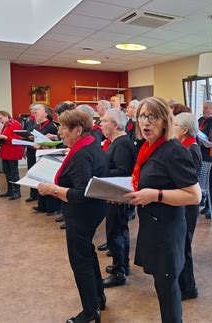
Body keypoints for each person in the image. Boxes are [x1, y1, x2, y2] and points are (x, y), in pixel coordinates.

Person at [123, 97, 201, 323]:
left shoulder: (173, 150)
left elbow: (194, 196)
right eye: (141, 116)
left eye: (152, 117)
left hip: (167, 230)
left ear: (165, 121)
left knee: (168, 290)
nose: (145, 122)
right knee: (161, 284)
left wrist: (156, 195)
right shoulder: (149, 147)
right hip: (152, 226)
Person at [37, 109, 108, 323]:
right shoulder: (89, 144)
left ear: (78, 130)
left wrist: (53, 190)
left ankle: (89, 312)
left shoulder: (81, 154)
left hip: (81, 213)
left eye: (63, 128)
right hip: (92, 211)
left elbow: (82, 193)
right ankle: (98, 298)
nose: (59, 132)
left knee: (80, 261)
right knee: (87, 253)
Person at [100, 108, 135, 288]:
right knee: (116, 230)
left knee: (116, 232)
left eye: (104, 121)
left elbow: (123, 170)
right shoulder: (117, 141)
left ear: (114, 125)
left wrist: (99, 173)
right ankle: (121, 264)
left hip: (118, 193)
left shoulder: (121, 143)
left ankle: (119, 271)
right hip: (114, 192)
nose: (101, 124)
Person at [173, 112, 202, 301]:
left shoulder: (191, 149)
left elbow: (189, 180)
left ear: (184, 129)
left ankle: (189, 287)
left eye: (174, 124)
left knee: (184, 246)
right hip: (182, 202)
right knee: (180, 245)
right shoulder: (183, 146)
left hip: (188, 204)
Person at [30, 104, 59, 214]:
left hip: (49, 155)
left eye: (38, 110)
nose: (35, 112)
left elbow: (57, 143)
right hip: (40, 154)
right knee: (40, 179)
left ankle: (51, 207)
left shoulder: (51, 126)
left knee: (48, 180)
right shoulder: (39, 125)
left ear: (46, 113)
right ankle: (42, 205)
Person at [0, 111, 24, 200]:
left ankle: (17, 191)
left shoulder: (16, 124)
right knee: (6, 172)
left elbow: (18, 139)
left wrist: (5, 138)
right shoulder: (5, 125)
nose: (0, 120)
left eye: (0, 118)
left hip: (13, 151)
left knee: (14, 172)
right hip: (5, 151)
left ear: (6, 116)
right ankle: (10, 190)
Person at [125, 99, 142, 221]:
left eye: (131, 107)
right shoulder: (128, 123)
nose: (128, 108)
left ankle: (131, 209)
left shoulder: (139, 125)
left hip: (136, 156)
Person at [198, 101, 212, 215]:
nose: (204, 110)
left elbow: (210, 136)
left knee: (208, 181)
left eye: (207, 108)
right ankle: (202, 199)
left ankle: (210, 204)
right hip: (199, 152)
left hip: (208, 153)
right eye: (203, 107)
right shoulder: (199, 120)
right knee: (201, 178)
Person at [24, 104, 39, 202]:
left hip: (39, 149)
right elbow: (25, 131)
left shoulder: (43, 122)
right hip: (30, 149)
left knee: (39, 173)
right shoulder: (29, 120)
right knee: (31, 171)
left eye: (35, 111)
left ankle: (39, 194)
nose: (32, 113)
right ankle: (33, 194)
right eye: (31, 111)